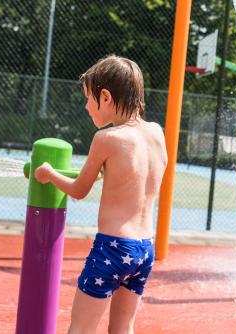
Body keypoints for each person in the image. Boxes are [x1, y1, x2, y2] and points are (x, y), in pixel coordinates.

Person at [34, 55, 168, 333]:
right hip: (144, 249)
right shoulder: (156, 133)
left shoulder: (106, 139)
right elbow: (133, 177)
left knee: (80, 328)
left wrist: (49, 173)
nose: (86, 105)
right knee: (122, 327)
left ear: (105, 97)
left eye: (88, 98)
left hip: (113, 248)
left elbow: (79, 190)